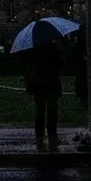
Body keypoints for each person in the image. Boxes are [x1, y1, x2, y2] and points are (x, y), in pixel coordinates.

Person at [22, 22, 63, 151]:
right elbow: (60, 65)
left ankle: (39, 138)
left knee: (40, 112)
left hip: (39, 84)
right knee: (52, 111)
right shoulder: (53, 49)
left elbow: (28, 68)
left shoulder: (33, 50)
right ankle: (52, 136)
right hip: (51, 84)